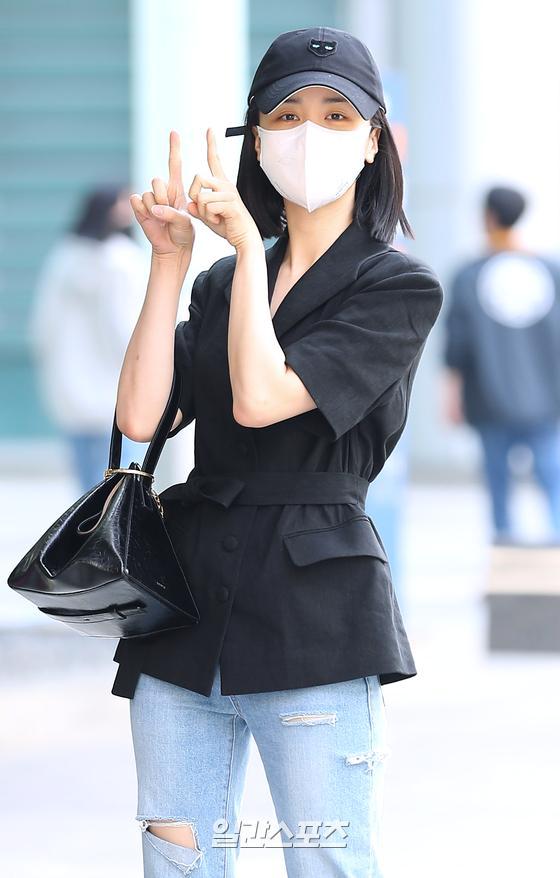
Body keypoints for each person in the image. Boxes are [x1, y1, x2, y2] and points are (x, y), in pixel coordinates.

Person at [112, 27, 444, 877]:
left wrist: (246, 262)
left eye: (337, 115)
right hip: (186, 613)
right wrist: (171, 264)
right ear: (254, 137)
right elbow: (142, 416)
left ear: (373, 142)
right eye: (287, 113)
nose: (310, 133)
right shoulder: (223, 280)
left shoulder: (396, 285)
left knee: (325, 860)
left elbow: (264, 399)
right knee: (177, 863)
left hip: (315, 617)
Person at [443, 185, 560, 542]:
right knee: (550, 472)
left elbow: (457, 344)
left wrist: (452, 394)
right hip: (546, 394)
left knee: (497, 477)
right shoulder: (550, 271)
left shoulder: (470, 275)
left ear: (489, 217)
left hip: (489, 395)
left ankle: (504, 548)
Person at [28, 185, 149, 493]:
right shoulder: (124, 261)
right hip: (117, 381)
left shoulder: (65, 257)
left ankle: (84, 532)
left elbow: (43, 325)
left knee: (86, 479)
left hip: (70, 383)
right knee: (122, 476)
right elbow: (126, 326)